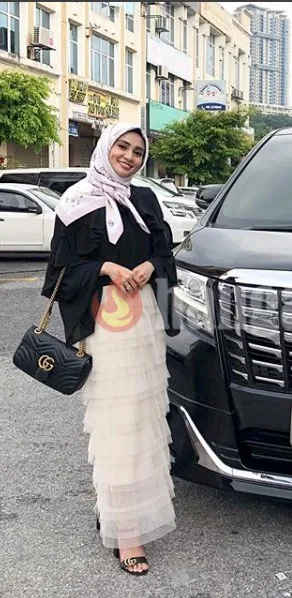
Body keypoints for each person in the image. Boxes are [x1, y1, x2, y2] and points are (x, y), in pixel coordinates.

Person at [42, 122, 180, 576]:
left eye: (138, 152)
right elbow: (58, 273)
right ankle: (127, 532)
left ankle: (122, 510)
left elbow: (165, 254)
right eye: (122, 147)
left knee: (143, 421)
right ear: (106, 147)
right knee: (116, 425)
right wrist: (106, 267)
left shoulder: (145, 200)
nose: (129, 157)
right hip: (104, 326)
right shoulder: (76, 202)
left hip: (144, 323)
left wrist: (148, 267)